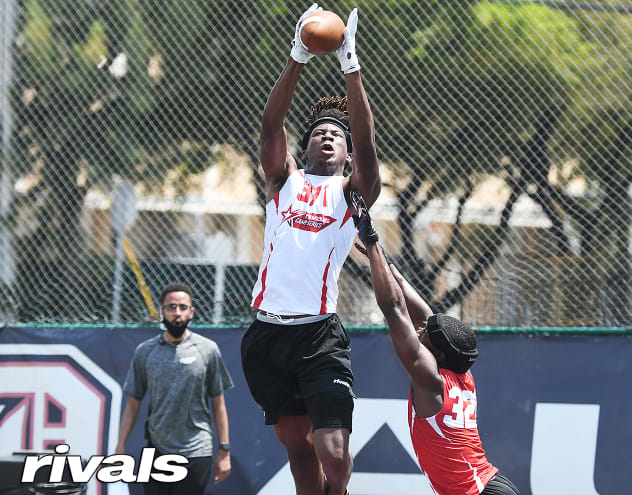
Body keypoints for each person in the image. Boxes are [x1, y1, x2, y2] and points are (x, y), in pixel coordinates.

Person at [240, 5, 380, 495]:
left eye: (336, 136)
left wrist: (351, 65)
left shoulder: (351, 193)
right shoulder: (284, 182)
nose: (328, 136)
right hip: (266, 336)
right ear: (305, 149)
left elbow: (366, 145)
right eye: (319, 132)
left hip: (319, 336)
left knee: (334, 453)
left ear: (345, 156)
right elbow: (270, 124)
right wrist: (298, 54)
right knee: (299, 451)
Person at [352, 194, 521, 495]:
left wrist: (373, 240)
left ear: (437, 353)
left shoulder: (430, 380)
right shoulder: (460, 375)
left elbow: (394, 309)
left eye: (425, 334)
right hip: (488, 485)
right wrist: (379, 255)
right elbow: (415, 304)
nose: (420, 329)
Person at [116, 282, 233, 493]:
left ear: (192, 312)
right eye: (171, 307)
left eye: (182, 307)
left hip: (197, 451)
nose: (176, 313)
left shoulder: (207, 350)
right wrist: (120, 448)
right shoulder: (145, 352)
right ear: (161, 311)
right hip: (157, 451)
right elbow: (133, 404)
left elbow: (219, 403)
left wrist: (224, 450)